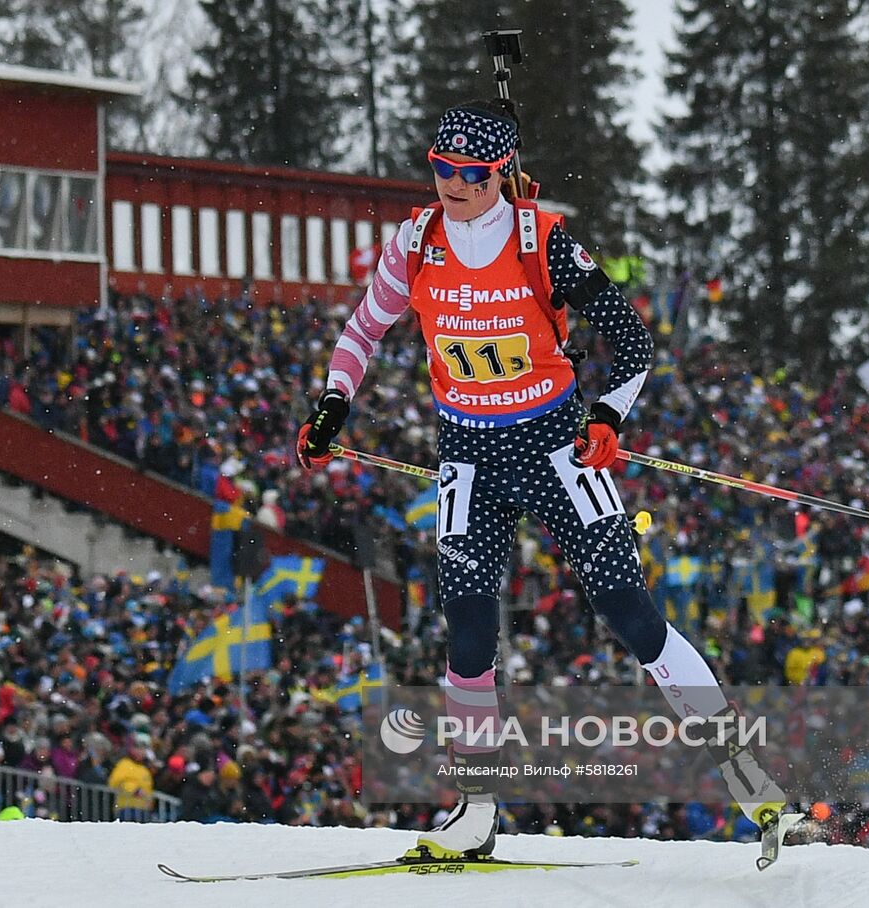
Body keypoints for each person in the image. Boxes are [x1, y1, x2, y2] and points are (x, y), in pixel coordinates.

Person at [297, 99, 787, 859]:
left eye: (468, 173)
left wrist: (607, 420)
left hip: (556, 445)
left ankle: (746, 771)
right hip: (468, 450)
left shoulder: (540, 239)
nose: (452, 183)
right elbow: (363, 328)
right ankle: (476, 808)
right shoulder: (416, 241)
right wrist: (334, 401)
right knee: (465, 626)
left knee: (630, 613)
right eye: (440, 167)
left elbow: (630, 341)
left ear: (498, 174)